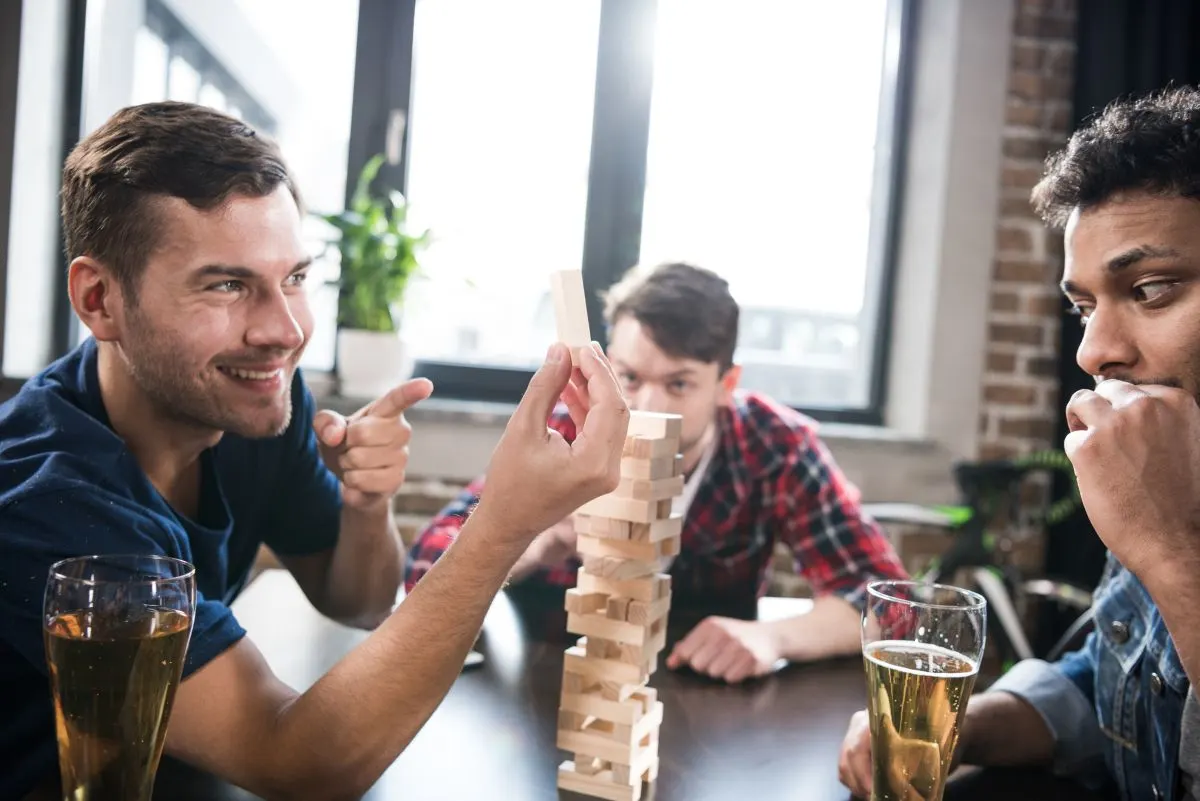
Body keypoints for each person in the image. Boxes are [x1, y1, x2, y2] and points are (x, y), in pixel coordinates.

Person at [0, 101, 632, 801]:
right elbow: (300, 762)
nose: (284, 330)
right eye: (227, 284)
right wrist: (506, 520)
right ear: (99, 299)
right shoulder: (44, 497)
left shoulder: (248, 398)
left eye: (295, 278)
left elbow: (359, 598)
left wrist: (367, 504)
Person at [838, 85, 1200, 801]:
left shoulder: (1161, 500)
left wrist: (1170, 551)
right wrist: (962, 726)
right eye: (1084, 306)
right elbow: (1109, 683)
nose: (1094, 351)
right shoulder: (1167, 460)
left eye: (1152, 289)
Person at [406, 261, 909, 684]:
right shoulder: (568, 429)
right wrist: (533, 539)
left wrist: (774, 637)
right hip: (556, 683)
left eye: (679, 384)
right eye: (629, 377)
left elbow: (889, 605)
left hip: (703, 694)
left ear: (724, 384)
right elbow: (426, 572)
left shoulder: (775, 447)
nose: (646, 405)